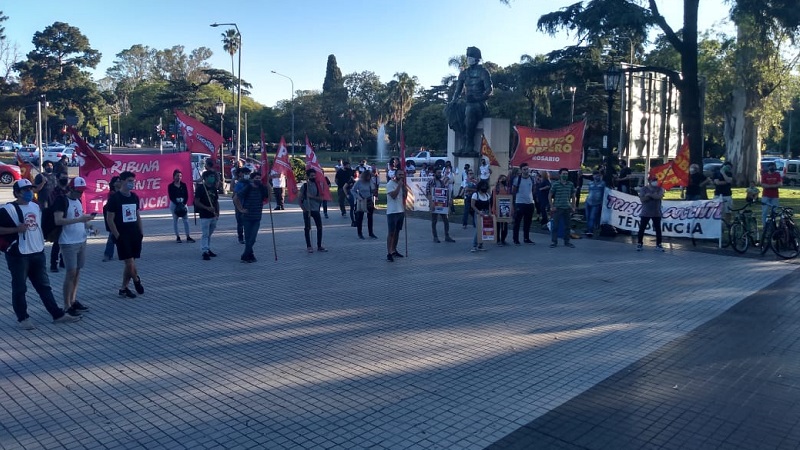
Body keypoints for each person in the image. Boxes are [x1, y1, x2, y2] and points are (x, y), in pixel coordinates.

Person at [0, 179, 81, 329]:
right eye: (25, 190)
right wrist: (15, 230)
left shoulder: (35, 206)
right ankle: (23, 318)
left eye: (31, 189)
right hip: (19, 255)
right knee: (20, 288)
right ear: (17, 192)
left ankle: (57, 315)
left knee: (44, 287)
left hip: (37, 252)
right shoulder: (8, 209)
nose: (29, 192)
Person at [53, 176, 95, 316]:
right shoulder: (62, 200)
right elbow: (58, 221)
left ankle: (73, 300)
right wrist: (80, 219)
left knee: (77, 272)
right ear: (71, 188)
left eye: (82, 191)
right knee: (70, 272)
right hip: (67, 242)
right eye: (78, 191)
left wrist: (88, 224)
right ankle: (66, 305)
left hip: (81, 240)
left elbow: (80, 217)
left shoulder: (77, 200)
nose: (81, 193)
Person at [447, 46, 493, 154]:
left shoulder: (483, 72)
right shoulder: (464, 73)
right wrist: (453, 101)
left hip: (480, 104)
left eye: (471, 56)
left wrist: (478, 98)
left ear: (477, 58)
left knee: (470, 110)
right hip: (468, 102)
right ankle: (463, 142)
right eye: (468, 56)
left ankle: (469, 145)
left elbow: (489, 90)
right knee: (452, 110)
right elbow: (457, 90)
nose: (468, 58)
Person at [106, 171, 145, 299]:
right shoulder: (115, 198)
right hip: (122, 235)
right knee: (129, 262)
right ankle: (137, 280)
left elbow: (137, 215)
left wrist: (141, 231)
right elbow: (110, 219)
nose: (131, 183)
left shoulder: (134, 197)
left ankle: (124, 288)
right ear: (122, 181)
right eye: (129, 181)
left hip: (134, 233)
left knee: (131, 262)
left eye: (133, 181)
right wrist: (117, 235)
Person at [233, 171, 270, 263]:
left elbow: (268, 197)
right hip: (247, 217)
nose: (258, 180)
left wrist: (268, 184)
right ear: (252, 179)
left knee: (253, 238)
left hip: (257, 217)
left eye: (259, 178)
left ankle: (246, 254)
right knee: (248, 237)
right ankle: (249, 255)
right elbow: (236, 197)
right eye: (256, 178)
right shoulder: (248, 187)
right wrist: (241, 209)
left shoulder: (262, 188)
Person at [195, 170, 220, 261]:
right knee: (205, 234)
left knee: (209, 234)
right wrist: (206, 208)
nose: (212, 178)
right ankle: (204, 251)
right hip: (205, 215)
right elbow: (196, 202)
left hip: (213, 215)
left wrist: (217, 212)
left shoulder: (213, 188)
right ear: (205, 178)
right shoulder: (201, 188)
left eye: (213, 176)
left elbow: (216, 201)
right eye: (210, 176)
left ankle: (208, 248)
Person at [300, 169, 327, 253]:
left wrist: (311, 196)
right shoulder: (304, 186)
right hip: (307, 209)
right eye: (311, 176)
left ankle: (319, 245)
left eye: (314, 175)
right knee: (307, 228)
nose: (313, 177)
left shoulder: (318, 185)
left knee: (319, 227)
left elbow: (321, 199)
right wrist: (303, 209)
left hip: (315, 209)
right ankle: (309, 246)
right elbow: (300, 199)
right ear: (308, 177)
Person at [549, 168, 576, 248]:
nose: (565, 175)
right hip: (558, 208)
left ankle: (567, 241)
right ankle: (554, 242)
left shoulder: (570, 184)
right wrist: (552, 206)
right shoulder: (556, 184)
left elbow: (573, 196)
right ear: (560, 175)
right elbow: (550, 195)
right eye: (563, 174)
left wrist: (573, 206)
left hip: (567, 208)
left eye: (566, 174)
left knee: (567, 226)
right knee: (555, 226)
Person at [48, 172, 70, 272]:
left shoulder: (69, 190)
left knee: (66, 242)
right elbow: (53, 204)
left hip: (68, 219)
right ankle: (53, 264)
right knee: (57, 243)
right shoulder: (54, 191)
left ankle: (63, 261)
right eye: (63, 178)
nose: (65, 179)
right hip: (57, 220)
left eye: (66, 178)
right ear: (57, 179)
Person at [427, 167, 456, 243]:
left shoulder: (442, 182)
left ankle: (447, 236)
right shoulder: (430, 182)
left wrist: (449, 201)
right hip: (434, 204)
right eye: (438, 173)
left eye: (440, 173)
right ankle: (435, 237)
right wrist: (431, 202)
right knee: (434, 221)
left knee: (446, 220)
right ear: (435, 173)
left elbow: (446, 192)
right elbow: (428, 193)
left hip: (442, 204)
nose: (440, 174)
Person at [637, 175, 666, 252]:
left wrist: (649, 195)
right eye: (653, 180)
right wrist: (653, 196)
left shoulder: (660, 188)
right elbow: (642, 199)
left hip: (656, 212)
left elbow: (659, 197)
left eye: (656, 180)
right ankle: (639, 243)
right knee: (642, 228)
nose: (655, 181)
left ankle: (658, 244)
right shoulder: (644, 189)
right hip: (645, 212)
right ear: (649, 181)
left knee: (658, 229)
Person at [512, 163, 536, 244]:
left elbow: (533, 189)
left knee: (528, 222)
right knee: (517, 222)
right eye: (524, 169)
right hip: (520, 203)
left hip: (529, 203)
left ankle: (526, 238)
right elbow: (514, 191)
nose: (526, 171)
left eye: (527, 169)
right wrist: (515, 202)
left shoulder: (532, 179)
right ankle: (515, 239)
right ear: (521, 170)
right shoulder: (517, 179)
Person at [168, 169, 194, 243]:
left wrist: (183, 203)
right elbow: (171, 196)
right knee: (175, 220)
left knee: (186, 220)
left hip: (183, 203)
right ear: (173, 177)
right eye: (177, 176)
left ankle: (188, 236)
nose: (179, 177)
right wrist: (177, 204)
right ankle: (178, 237)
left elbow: (186, 195)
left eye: (180, 176)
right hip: (174, 204)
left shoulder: (183, 185)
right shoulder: (170, 186)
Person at [386, 170, 406, 262]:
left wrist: (404, 187)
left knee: (397, 232)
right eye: (400, 174)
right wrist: (399, 185)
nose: (401, 176)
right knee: (391, 233)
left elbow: (405, 196)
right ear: (395, 175)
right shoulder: (390, 184)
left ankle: (394, 250)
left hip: (400, 211)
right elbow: (393, 195)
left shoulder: (401, 184)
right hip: (392, 212)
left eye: (402, 175)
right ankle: (389, 252)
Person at [352, 170, 378, 239]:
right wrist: (358, 197)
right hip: (361, 200)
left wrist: (373, 186)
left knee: (370, 218)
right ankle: (360, 233)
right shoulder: (359, 182)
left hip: (369, 200)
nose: (369, 178)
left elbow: (373, 189)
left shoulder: (370, 182)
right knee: (360, 218)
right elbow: (353, 190)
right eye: (368, 176)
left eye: (370, 176)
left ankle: (371, 233)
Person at [470, 180, 492, 252]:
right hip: (478, 214)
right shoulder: (475, 195)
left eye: (485, 186)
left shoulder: (487, 195)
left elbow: (489, 204)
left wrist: (489, 212)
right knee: (478, 229)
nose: (484, 188)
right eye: (483, 186)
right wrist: (479, 212)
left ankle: (480, 245)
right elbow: (472, 205)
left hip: (485, 213)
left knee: (483, 229)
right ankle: (474, 245)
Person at [102, 176, 121, 262]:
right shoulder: (112, 194)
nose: (119, 182)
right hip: (113, 218)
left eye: (120, 181)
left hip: (122, 217)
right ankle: (108, 254)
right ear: (113, 184)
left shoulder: (123, 192)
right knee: (112, 236)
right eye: (117, 181)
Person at [232, 167, 251, 244]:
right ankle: (240, 237)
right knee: (240, 222)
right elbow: (235, 194)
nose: (247, 175)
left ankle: (248, 236)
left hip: (248, 205)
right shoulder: (239, 183)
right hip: (240, 205)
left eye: (248, 174)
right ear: (241, 174)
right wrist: (239, 207)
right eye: (245, 174)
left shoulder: (250, 183)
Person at [584, 170, 606, 237]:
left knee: (592, 217)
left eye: (598, 175)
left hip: (597, 203)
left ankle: (590, 231)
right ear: (593, 176)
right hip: (588, 202)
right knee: (587, 217)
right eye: (595, 175)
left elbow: (604, 193)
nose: (596, 176)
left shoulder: (603, 184)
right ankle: (588, 229)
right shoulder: (590, 183)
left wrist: (602, 202)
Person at [493, 174, 513, 246]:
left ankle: (503, 239)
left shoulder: (507, 189)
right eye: (502, 179)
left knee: (505, 226)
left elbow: (510, 199)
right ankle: (498, 240)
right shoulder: (496, 189)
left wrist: (511, 209)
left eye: (505, 179)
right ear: (499, 180)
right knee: (498, 226)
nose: (503, 180)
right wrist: (493, 210)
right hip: (498, 210)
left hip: (505, 210)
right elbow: (493, 200)